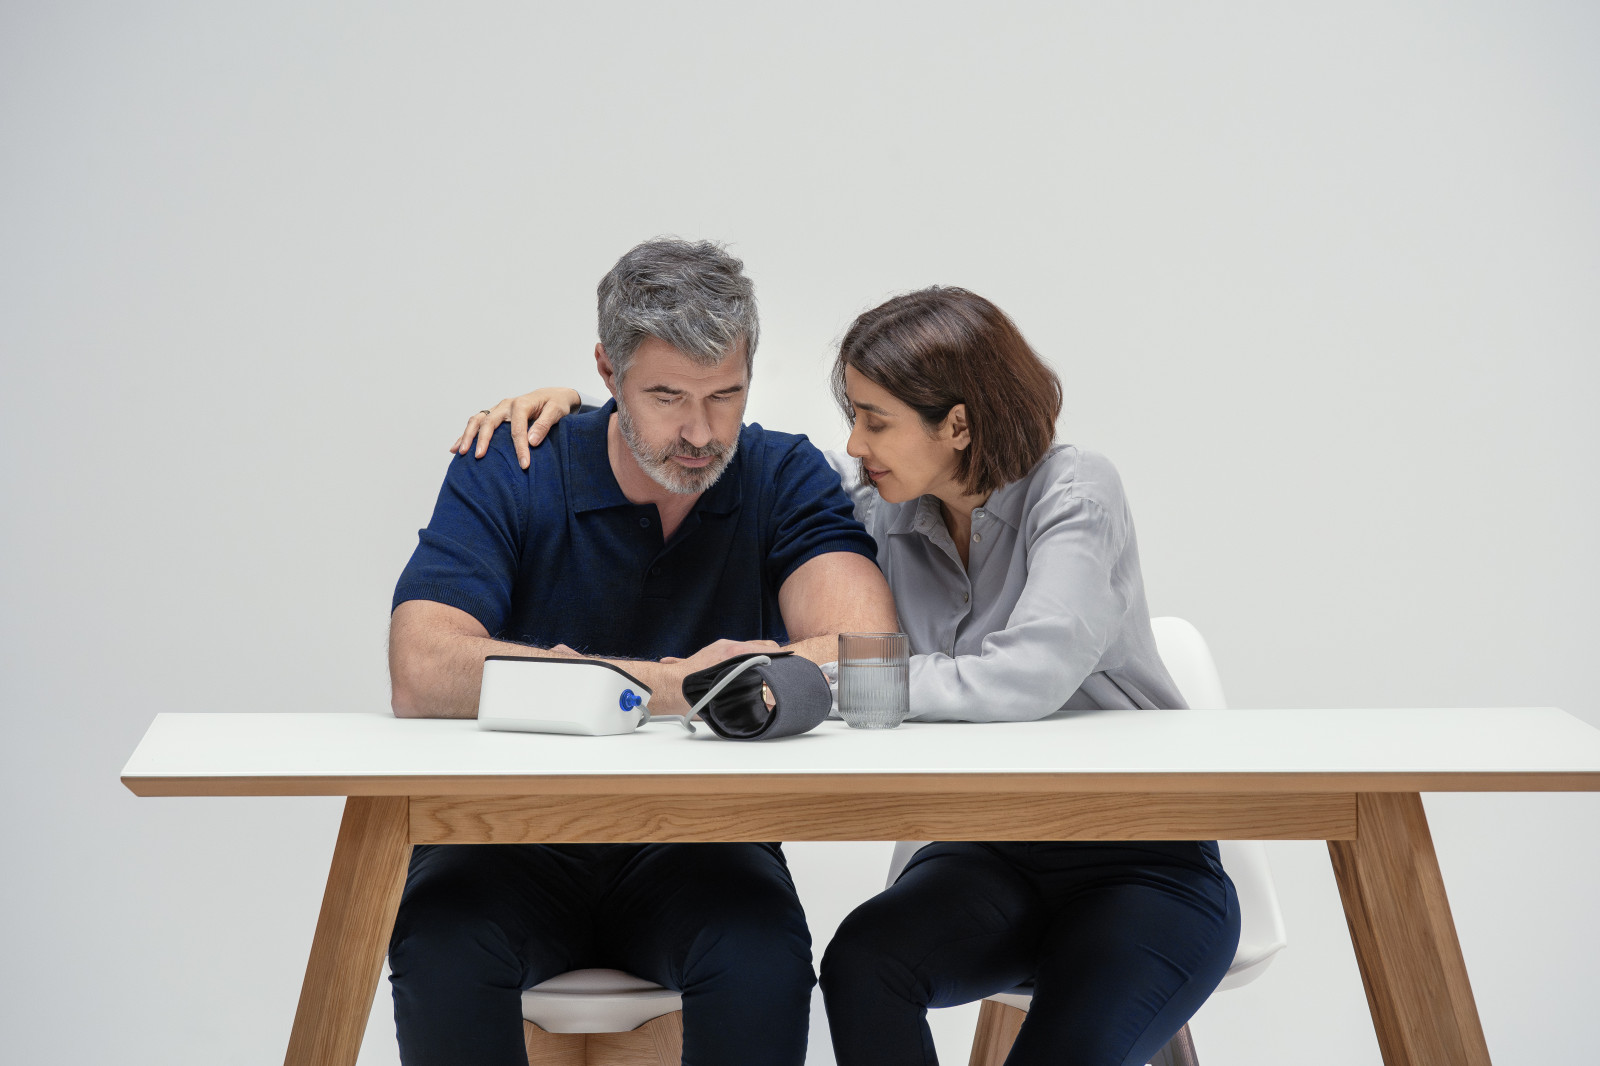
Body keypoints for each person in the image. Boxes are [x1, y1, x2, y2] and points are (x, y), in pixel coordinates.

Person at [456, 286, 1241, 1066]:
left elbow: (1028, 677)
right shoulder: (887, 502)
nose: (857, 443)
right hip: (986, 856)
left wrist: (835, 675)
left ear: (957, 424)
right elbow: (739, 470)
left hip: (1138, 861)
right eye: (853, 418)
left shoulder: (1076, 491)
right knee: (862, 965)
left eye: (875, 419)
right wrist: (590, 419)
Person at [388, 237, 897, 1066]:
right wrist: (680, 685)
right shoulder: (512, 464)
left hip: (705, 842)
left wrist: (561, 680)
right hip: (505, 838)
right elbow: (423, 668)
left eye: (725, 395)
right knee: (440, 944)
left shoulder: (780, 474)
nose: (700, 432)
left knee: (762, 953)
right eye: (667, 397)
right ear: (607, 371)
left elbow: (864, 654)